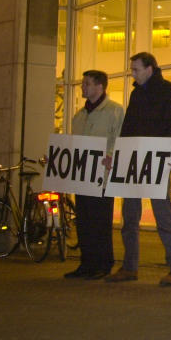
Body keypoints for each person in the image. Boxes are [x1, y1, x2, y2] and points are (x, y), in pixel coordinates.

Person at [105, 52, 171, 286]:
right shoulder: (136, 93)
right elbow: (128, 126)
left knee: (164, 215)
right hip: (134, 159)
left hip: (157, 159)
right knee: (129, 216)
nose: (133, 74)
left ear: (150, 68)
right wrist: (120, 154)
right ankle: (130, 267)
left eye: (136, 70)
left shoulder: (169, 90)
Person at [64, 69, 124, 280]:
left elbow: (120, 140)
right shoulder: (79, 116)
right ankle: (86, 262)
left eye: (87, 83)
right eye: (83, 83)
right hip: (83, 176)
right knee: (84, 220)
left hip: (102, 176)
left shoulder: (115, 112)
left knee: (100, 221)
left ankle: (103, 263)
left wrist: (111, 156)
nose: (83, 87)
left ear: (100, 86)